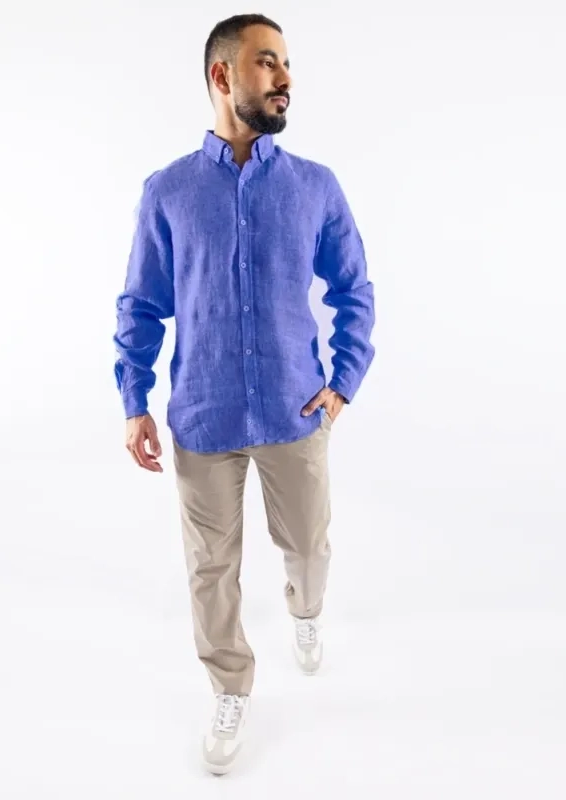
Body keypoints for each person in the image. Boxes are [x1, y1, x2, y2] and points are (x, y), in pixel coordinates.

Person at [113, 13, 375, 775]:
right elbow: (141, 305)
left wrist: (343, 382)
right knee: (210, 567)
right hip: (204, 414)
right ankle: (230, 684)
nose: (285, 78)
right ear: (223, 75)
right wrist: (134, 401)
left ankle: (305, 610)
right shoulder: (168, 192)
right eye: (268, 63)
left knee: (307, 544)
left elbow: (354, 289)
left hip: (296, 409)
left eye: (286, 63)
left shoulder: (314, 187)